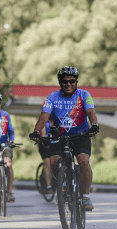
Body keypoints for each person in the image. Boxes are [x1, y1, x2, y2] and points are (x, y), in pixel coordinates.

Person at [29, 66, 99, 211]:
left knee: (83, 161)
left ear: (76, 81)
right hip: (59, 137)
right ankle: (63, 185)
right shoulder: (52, 97)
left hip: (80, 135)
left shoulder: (84, 94)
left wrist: (94, 125)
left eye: (72, 81)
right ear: (60, 82)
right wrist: (36, 131)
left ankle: (86, 197)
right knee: (54, 161)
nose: (68, 84)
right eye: (65, 81)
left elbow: (91, 112)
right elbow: (44, 116)